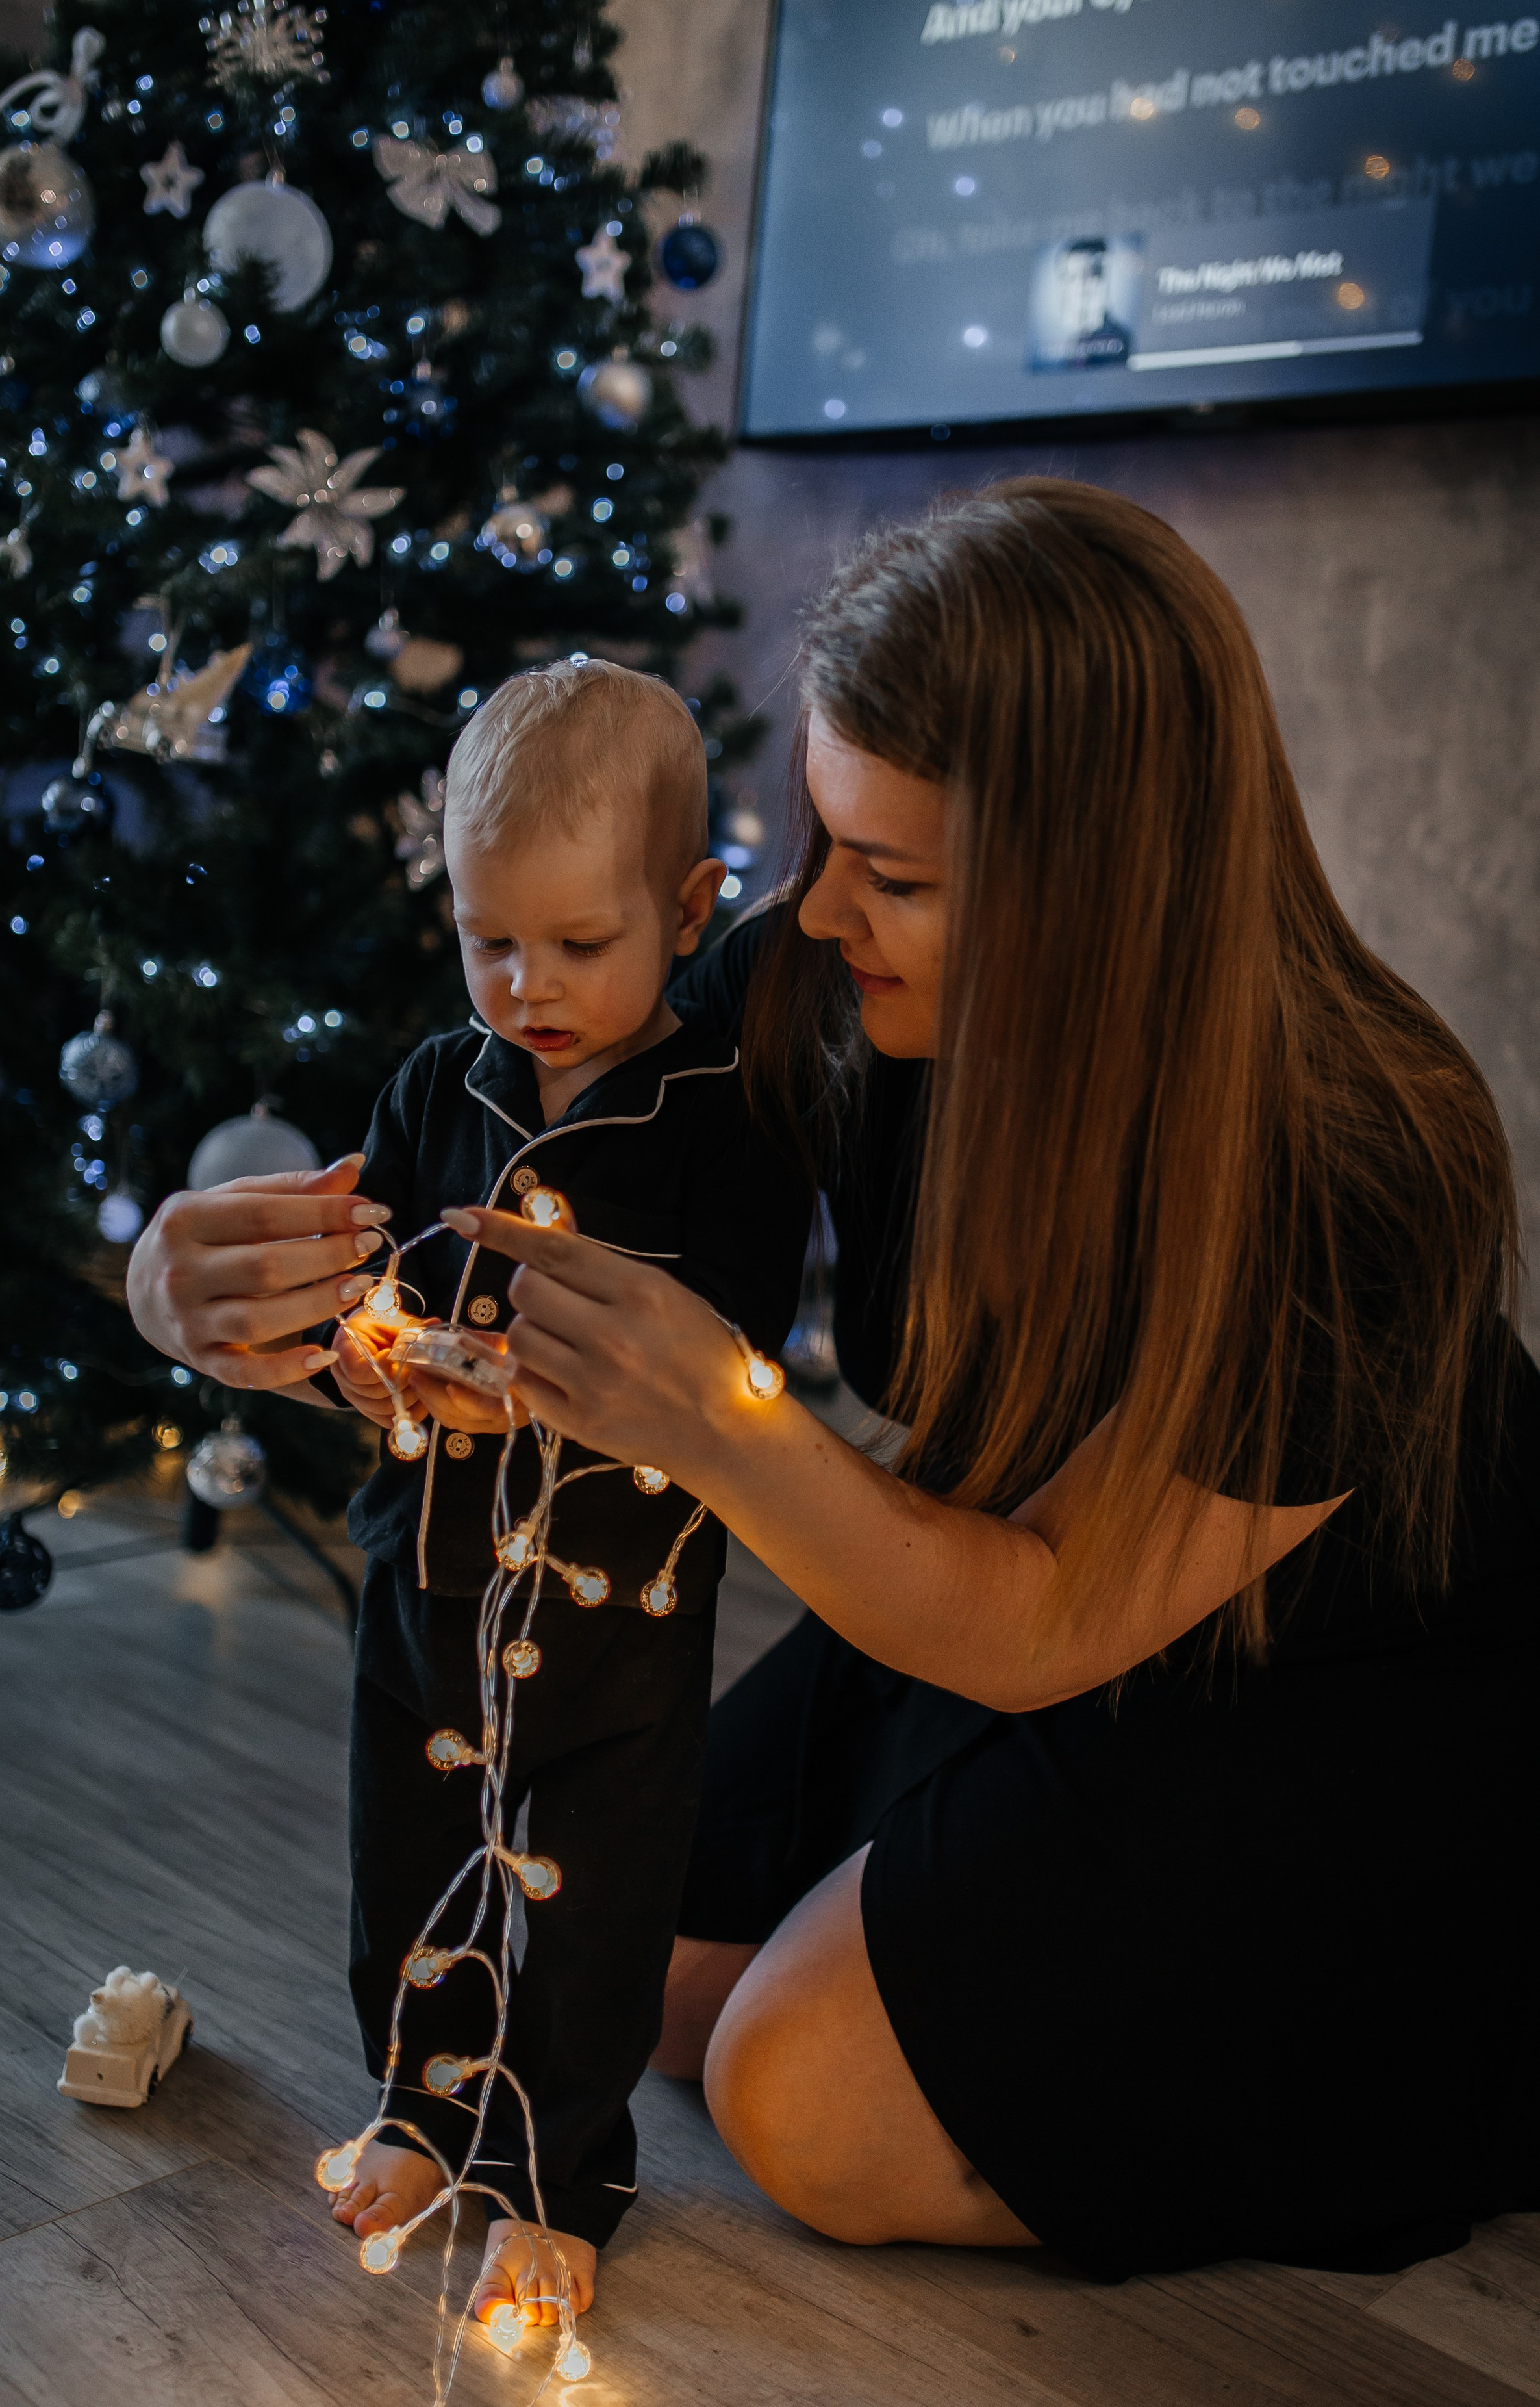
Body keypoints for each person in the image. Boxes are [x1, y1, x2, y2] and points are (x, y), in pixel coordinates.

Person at [128, 479, 1539, 2287]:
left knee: (796, 2100)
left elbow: (1032, 1622)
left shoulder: (1354, 1166)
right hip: (1013, 1579)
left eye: (903, 874)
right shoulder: (820, 983)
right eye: (823, 832)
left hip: (1357, 1689)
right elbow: (484, 1261)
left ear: (1100, 895)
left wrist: (719, 1423)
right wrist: (236, 1300)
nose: (817, 908)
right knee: (640, 1967)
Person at [133, 659, 805, 2325]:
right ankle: (426, 2111)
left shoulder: (722, 1123)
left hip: (615, 1607)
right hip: (422, 1570)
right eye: (488, 941)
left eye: (581, 945)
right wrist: (364, 1358)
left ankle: (560, 2175)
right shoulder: (440, 1085)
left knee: (588, 1900)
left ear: (687, 907)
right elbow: (368, 1273)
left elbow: (736, 1358)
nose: (529, 985)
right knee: (413, 1857)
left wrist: (547, 1386)